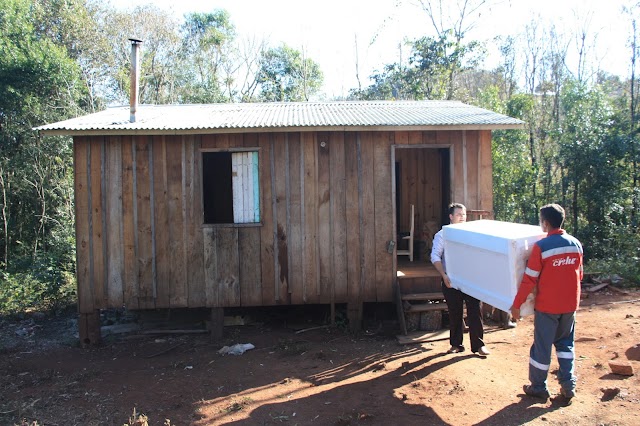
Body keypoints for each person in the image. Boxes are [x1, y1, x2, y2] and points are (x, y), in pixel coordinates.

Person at [510, 203, 583, 402]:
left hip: (548, 306)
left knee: (542, 347)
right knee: (566, 344)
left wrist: (517, 305)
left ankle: (538, 387)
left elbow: (529, 279)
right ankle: (568, 386)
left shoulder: (541, 246)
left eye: (541, 221)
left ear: (546, 223)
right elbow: (580, 275)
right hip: (570, 305)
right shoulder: (575, 243)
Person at [431, 203, 490, 356]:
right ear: (451, 217)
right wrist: (444, 275)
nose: (462, 217)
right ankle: (456, 344)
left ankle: (479, 346)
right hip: (451, 279)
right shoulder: (442, 235)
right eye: (459, 214)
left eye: (464, 214)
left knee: (475, 311)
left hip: (471, 279)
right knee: (455, 313)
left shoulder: (471, 234)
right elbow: (435, 256)